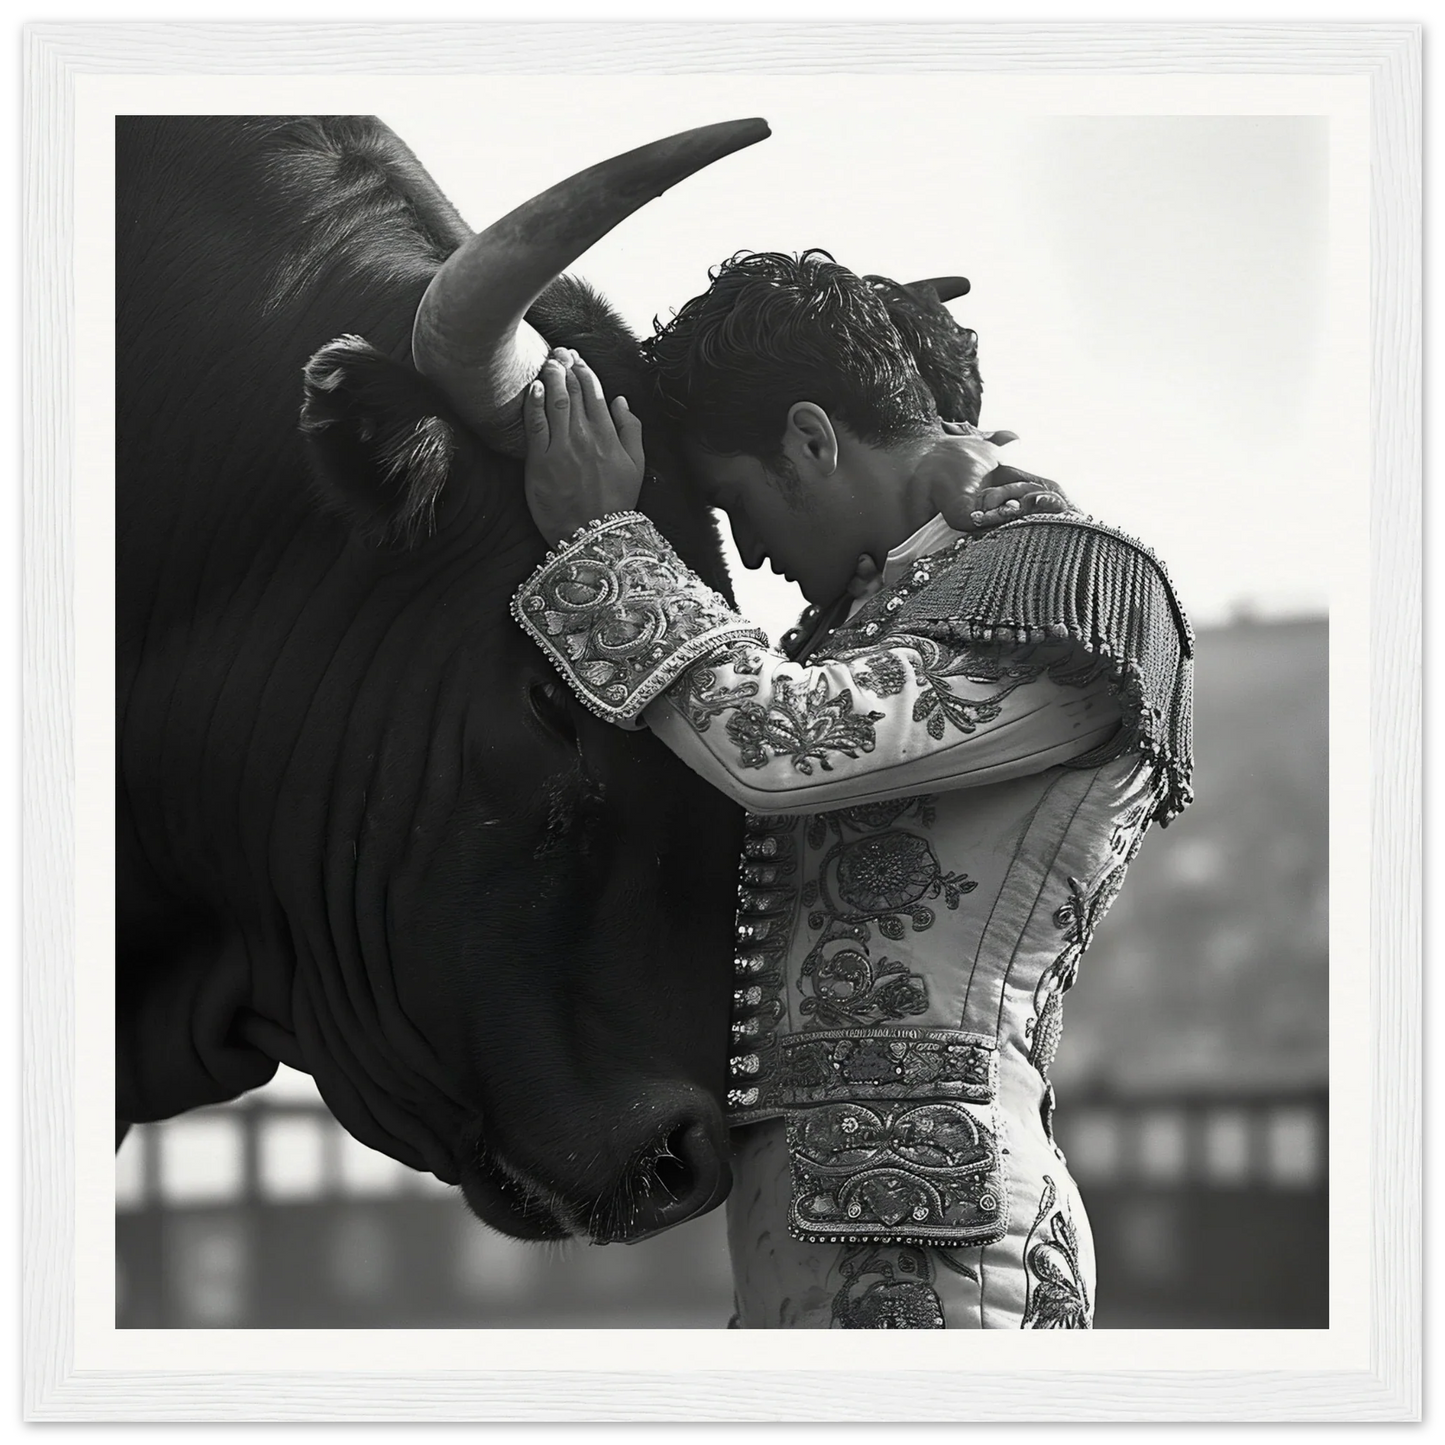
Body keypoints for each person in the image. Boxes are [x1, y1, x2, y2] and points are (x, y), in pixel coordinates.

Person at [511, 251, 1194, 1329]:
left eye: (735, 503)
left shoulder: (1074, 583)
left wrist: (603, 543)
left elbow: (778, 743)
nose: (751, 558)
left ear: (811, 437)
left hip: (949, 1246)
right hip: (815, 1236)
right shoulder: (880, 612)